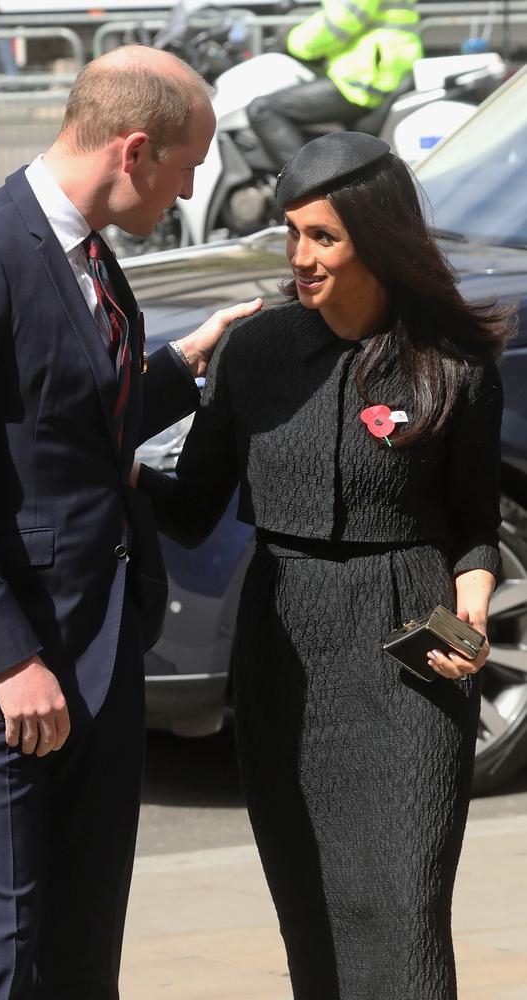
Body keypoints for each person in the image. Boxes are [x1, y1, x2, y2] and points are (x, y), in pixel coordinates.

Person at [0, 45, 261, 999]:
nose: (187, 195)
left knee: (84, 950)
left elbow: (72, 429)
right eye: (185, 170)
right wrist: (13, 660)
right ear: (135, 151)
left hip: (101, 657)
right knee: (0, 960)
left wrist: (188, 365)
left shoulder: (92, 257)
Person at [134, 131, 513, 998]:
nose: (299, 258)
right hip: (285, 654)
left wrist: (473, 612)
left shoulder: (456, 367)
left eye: (323, 237)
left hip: (407, 655)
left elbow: (473, 529)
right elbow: (192, 508)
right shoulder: (257, 354)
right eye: (291, 233)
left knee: (404, 906)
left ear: (376, 240)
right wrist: (100, 462)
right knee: (309, 908)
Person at [247, 0, 422, 171]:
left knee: (263, 109)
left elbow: (343, 20)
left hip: (367, 77)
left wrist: (292, 39)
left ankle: (306, 186)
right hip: (384, 67)